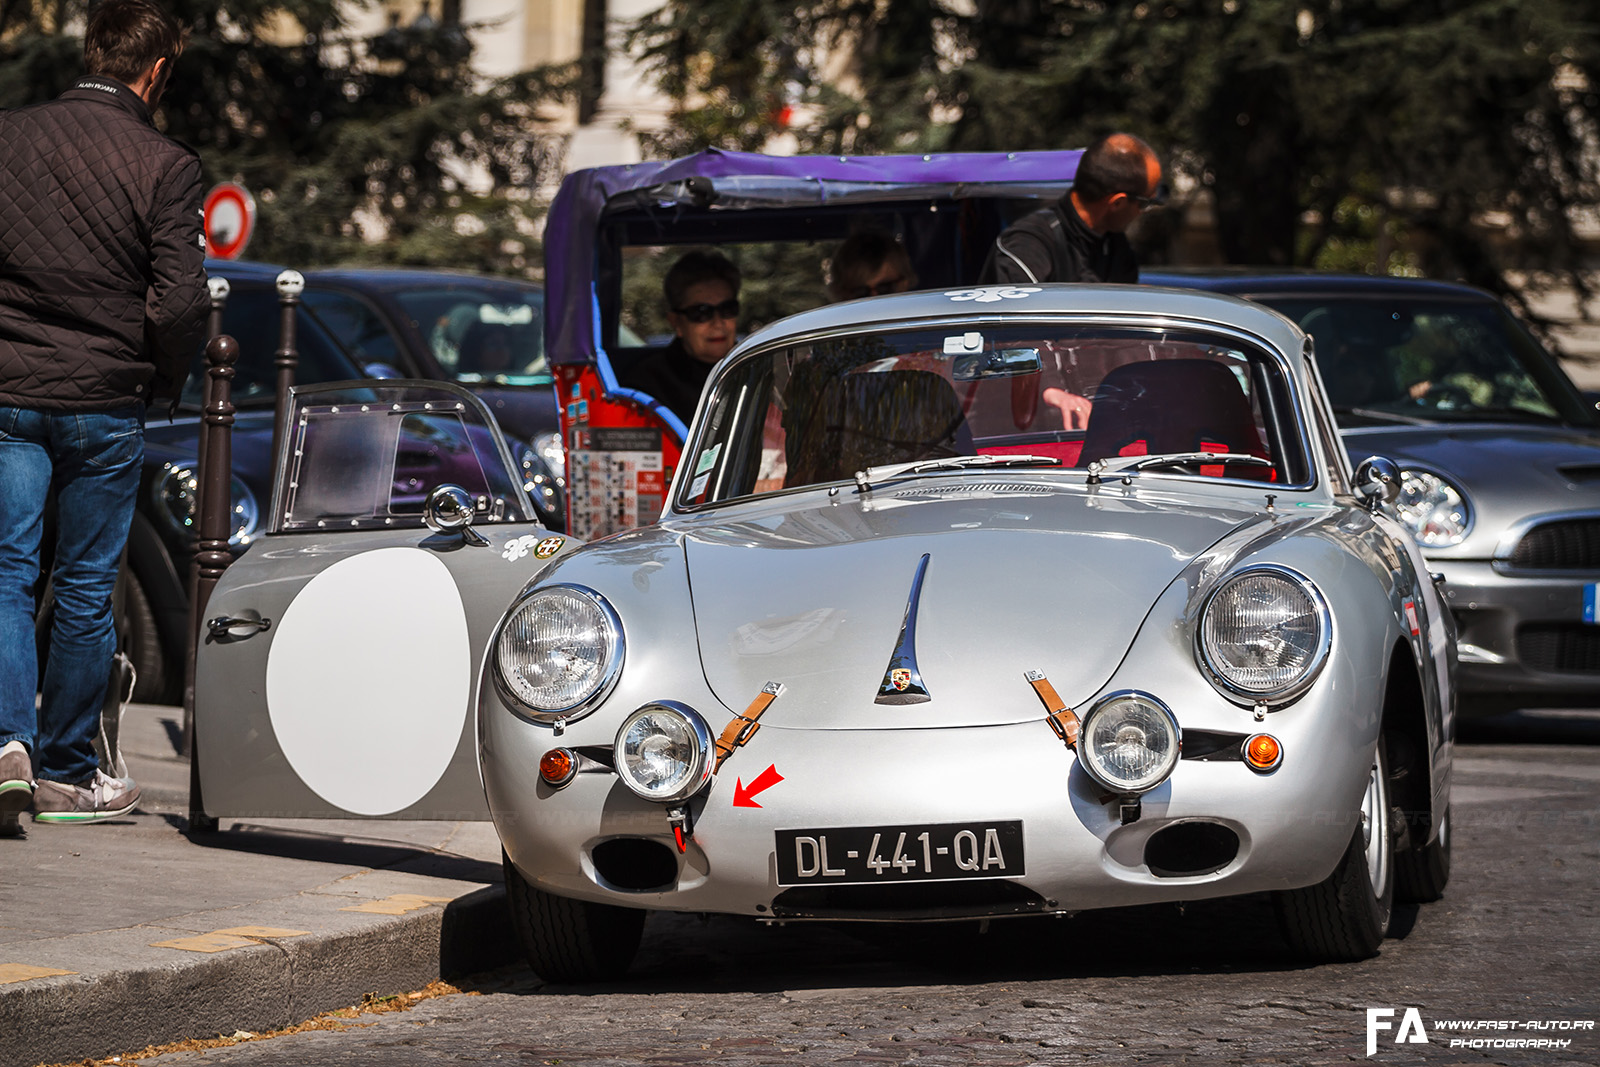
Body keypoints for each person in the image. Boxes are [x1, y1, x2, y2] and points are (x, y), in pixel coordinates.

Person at [0, 0, 208, 828]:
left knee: (7, 570)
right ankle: (64, 769)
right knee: (85, 584)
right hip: (104, 402)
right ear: (155, 71)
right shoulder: (163, 162)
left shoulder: (9, 135)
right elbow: (182, 301)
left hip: (10, 394)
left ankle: (4, 744)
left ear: (90, 51)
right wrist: (163, 375)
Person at [979, 133, 1164, 285]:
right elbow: (1017, 325)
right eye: (1144, 203)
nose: (1142, 212)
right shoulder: (1028, 244)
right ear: (1117, 202)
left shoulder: (1116, 247)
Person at [617, 250, 741, 426]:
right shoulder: (646, 385)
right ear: (676, 322)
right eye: (701, 313)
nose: (718, 323)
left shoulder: (759, 370)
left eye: (728, 309)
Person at [827, 227, 917, 302]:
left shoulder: (927, 318)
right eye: (860, 293)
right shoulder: (825, 322)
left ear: (904, 284)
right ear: (842, 294)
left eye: (885, 289)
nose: (874, 299)